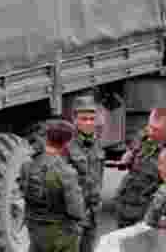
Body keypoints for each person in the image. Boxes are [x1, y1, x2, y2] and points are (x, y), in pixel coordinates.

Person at [19, 119, 85, 252]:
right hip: (60, 235)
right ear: (67, 143)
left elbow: (24, 193)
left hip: (35, 232)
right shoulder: (66, 172)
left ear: (47, 138)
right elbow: (76, 211)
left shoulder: (27, 166)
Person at [109, 107, 166, 227]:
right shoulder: (143, 138)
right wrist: (128, 156)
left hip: (143, 216)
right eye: (149, 126)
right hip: (124, 208)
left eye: (156, 130)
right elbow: (133, 153)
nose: (150, 132)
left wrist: (155, 218)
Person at [67, 96, 104, 252]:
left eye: (92, 119)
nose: (89, 123)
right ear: (75, 119)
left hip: (93, 214)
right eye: (84, 119)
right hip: (73, 217)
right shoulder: (67, 147)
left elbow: (99, 175)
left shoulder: (97, 144)